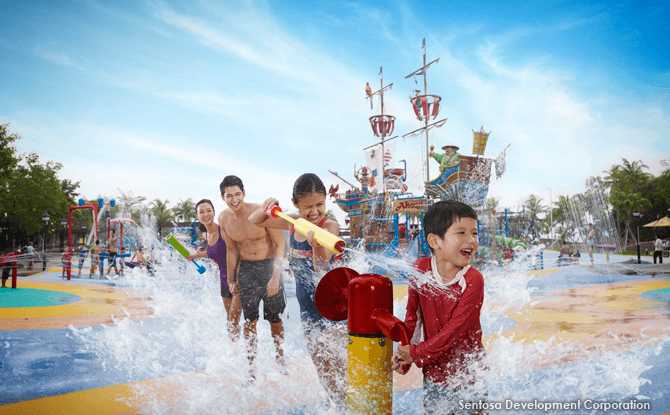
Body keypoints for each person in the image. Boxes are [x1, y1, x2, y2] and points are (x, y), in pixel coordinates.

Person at [249, 173, 347, 409]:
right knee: (321, 364)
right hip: (308, 307)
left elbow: (322, 267)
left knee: (339, 364)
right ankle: (336, 406)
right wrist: (268, 206)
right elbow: (256, 220)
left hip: (333, 305)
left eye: (320, 205)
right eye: (307, 207)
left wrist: (315, 247)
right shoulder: (293, 222)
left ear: (326, 201)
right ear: (295, 204)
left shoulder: (329, 226)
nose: (314, 212)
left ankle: (348, 406)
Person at [392, 200, 487, 414]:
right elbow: (413, 318)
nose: (471, 240)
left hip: (469, 376)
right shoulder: (420, 269)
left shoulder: (473, 280)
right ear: (435, 241)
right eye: (461, 233)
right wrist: (405, 357)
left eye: (474, 233)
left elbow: (454, 331)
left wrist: (414, 354)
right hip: (434, 373)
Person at [218, 175, 287, 383]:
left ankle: (280, 359)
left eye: (237, 194)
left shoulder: (261, 213)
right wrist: (232, 278)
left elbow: (280, 244)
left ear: (244, 193)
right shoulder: (223, 219)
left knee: (275, 320)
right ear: (223, 197)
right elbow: (231, 250)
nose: (234, 199)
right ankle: (252, 367)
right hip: (247, 270)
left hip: (269, 268)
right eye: (229, 195)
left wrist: (275, 277)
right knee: (249, 321)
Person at [186, 199, 242, 343]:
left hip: (237, 278)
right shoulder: (207, 235)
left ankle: (245, 352)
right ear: (197, 216)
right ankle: (233, 349)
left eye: (209, 210)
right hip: (224, 280)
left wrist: (235, 279)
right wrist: (195, 256)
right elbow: (212, 252)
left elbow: (237, 252)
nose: (206, 214)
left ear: (214, 212)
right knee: (229, 318)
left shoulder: (223, 231)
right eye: (202, 212)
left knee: (234, 318)